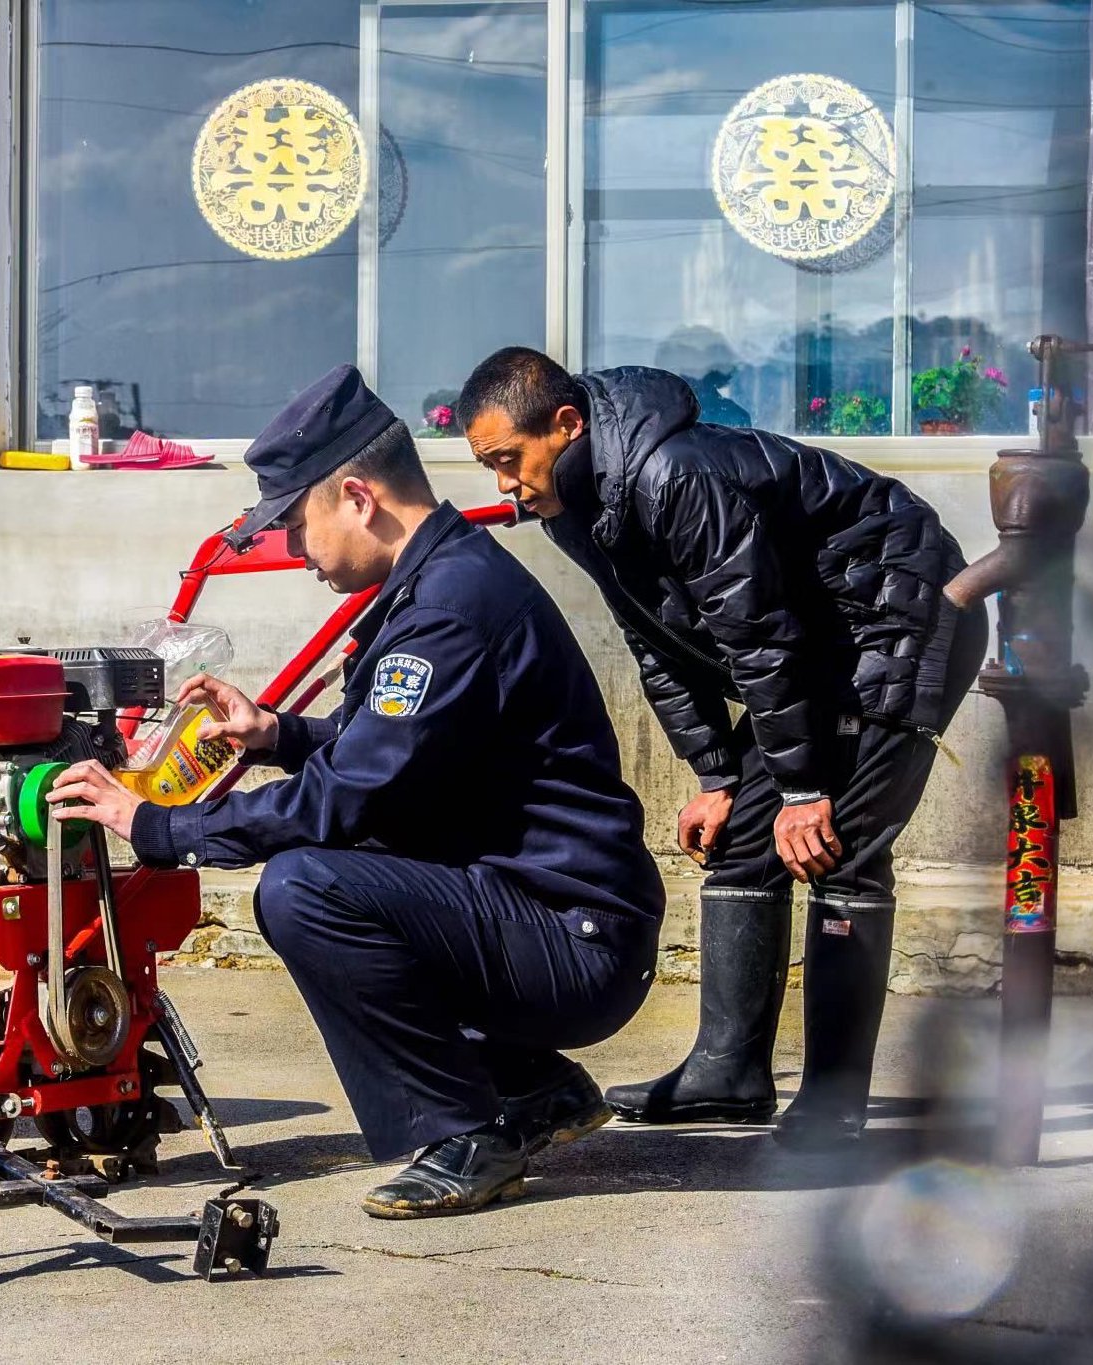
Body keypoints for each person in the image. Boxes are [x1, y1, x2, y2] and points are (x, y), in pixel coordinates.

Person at [49, 364, 666, 1217]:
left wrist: (159, 825)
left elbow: (345, 799)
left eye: (296, 524)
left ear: (356, 496)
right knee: (348, 864)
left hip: (572, 939)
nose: (293, 549)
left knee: (307, 888)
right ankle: (536, 1090)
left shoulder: (448, 608)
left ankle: (463, 1132)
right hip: (554, 917)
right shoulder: (441, 582)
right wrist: (279, 734)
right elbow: (394, 752)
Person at [455, 347, 987, 1149]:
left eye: (507, 459)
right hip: (816, 645)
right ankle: (727, 1073)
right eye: (489, 465)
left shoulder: (677, 473)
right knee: (742, 841)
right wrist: (715, 772)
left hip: (898, 618)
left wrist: (803, 789)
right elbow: (653, 638)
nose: (503, 483)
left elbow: (759, 634)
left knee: (834, 847)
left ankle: (835, 1099)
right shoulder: (573, 501)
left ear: (565, 426)